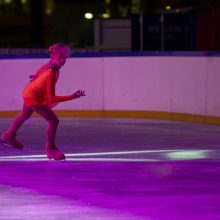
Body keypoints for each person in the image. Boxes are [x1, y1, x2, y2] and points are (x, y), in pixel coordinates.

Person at [1, 43, 86, 160]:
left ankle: (8, 135)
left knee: (24, 115)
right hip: (33, 97)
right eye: (60, 57)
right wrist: (72, 96)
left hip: (29, 91)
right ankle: (50, 149)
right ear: (52, 56)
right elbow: (52, 98)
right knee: (54, 121)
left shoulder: (52, 65)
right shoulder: (51, 72)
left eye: (65, 57)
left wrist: (36, 75)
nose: (63, 59)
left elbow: (43, 67)